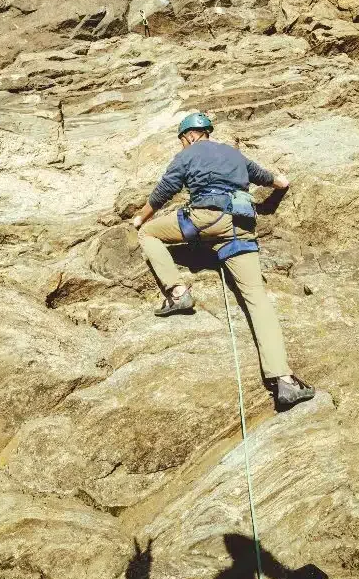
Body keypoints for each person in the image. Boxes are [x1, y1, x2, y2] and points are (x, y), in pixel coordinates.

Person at [133, 112, 314, 411]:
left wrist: (140, 218)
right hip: (241, 226)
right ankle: (284, 380)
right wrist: (281, 182)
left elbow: (165, 191)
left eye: (181, 140)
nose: (182, 145)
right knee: (257, 299)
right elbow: (273, 180)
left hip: (205, 220)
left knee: (149, 234)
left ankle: (178, 293)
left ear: (190, 135)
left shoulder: (189, 154)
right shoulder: (234, 154)